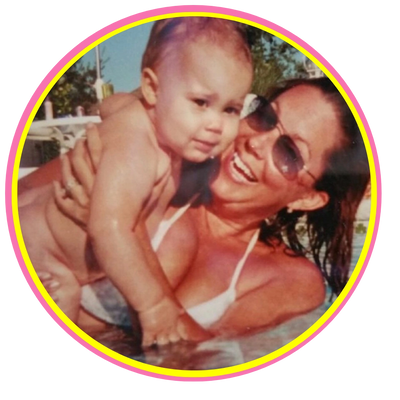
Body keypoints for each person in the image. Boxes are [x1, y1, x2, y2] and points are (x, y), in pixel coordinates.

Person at [37, 78, 370, 345]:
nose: (256, 141)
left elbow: (196, 365)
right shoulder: (157, 162)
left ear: (309, 198)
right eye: (265, 117)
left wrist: (122, 226)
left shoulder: (288, 280)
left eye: (289, 153)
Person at [17, 17, 253, 345]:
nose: (215, 124)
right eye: (201, 102)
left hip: (44, 242)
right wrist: (153, 305)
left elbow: (110, 105)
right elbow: (110, 227)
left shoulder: (153, 126)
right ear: (153, 88)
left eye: (230, 109)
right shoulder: (137, 144)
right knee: (61, 298)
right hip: (37, 253)